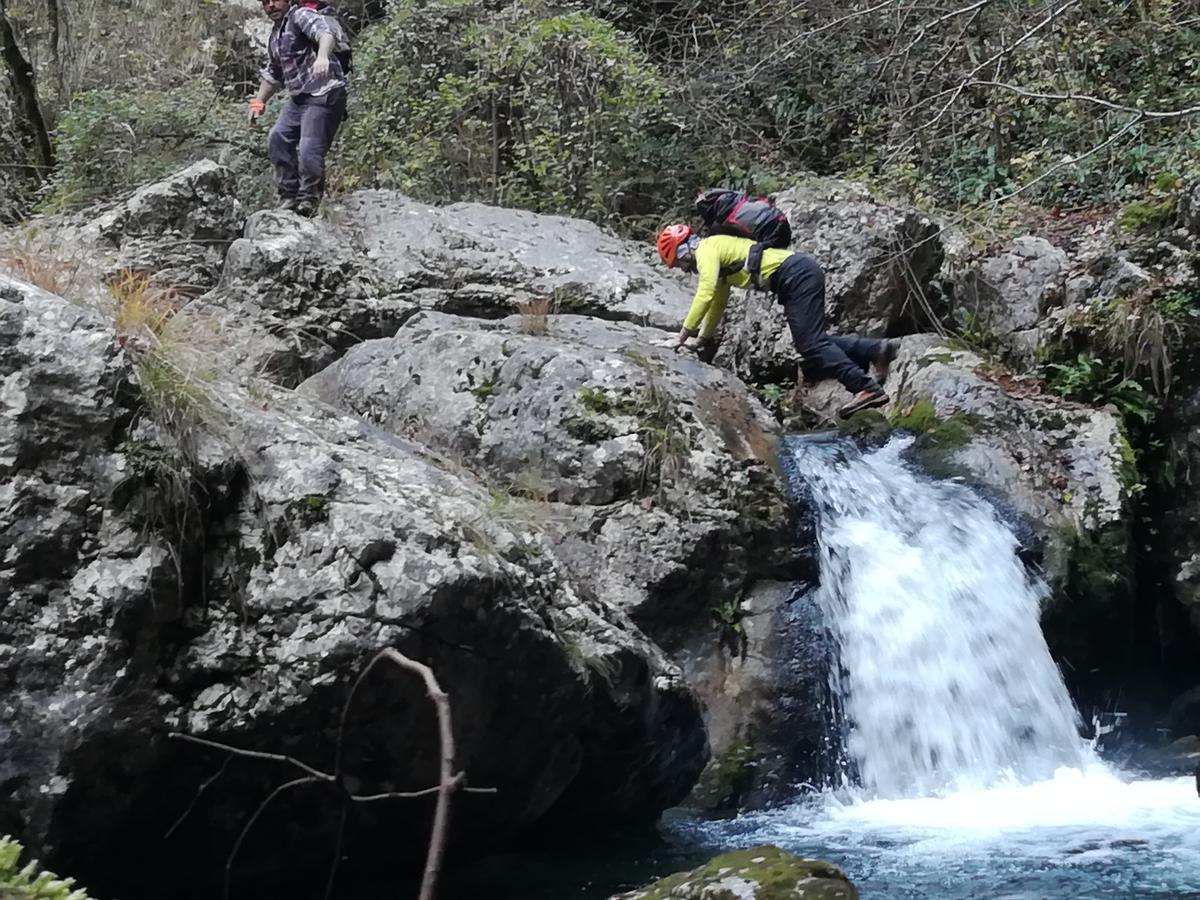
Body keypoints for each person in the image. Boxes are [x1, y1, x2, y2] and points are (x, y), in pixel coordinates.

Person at [655, 223, 896, 418]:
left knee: (811, 346)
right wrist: (700, 340)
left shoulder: (706, 249)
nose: (682, 269)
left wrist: (682, 335)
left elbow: (704, 293)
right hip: (798, 274)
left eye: (678, 263)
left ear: (683, 251)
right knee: (814, 341)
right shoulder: (717, 256)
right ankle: (875, 349)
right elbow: (717, 302)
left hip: (795, 275)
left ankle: (864, 388)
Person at [248, 0, 351, 217]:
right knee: (277, 138)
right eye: (266, 3)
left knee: (308, 148)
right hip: (300, 97)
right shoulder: (275, 36)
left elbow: (325, 33)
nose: (271, 6)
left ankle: (309, 200)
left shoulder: (301, 16)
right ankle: (289, 196)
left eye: (275, 0)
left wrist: (322, 57)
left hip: (325, 91)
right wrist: (258, 103)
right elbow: (274, 73)